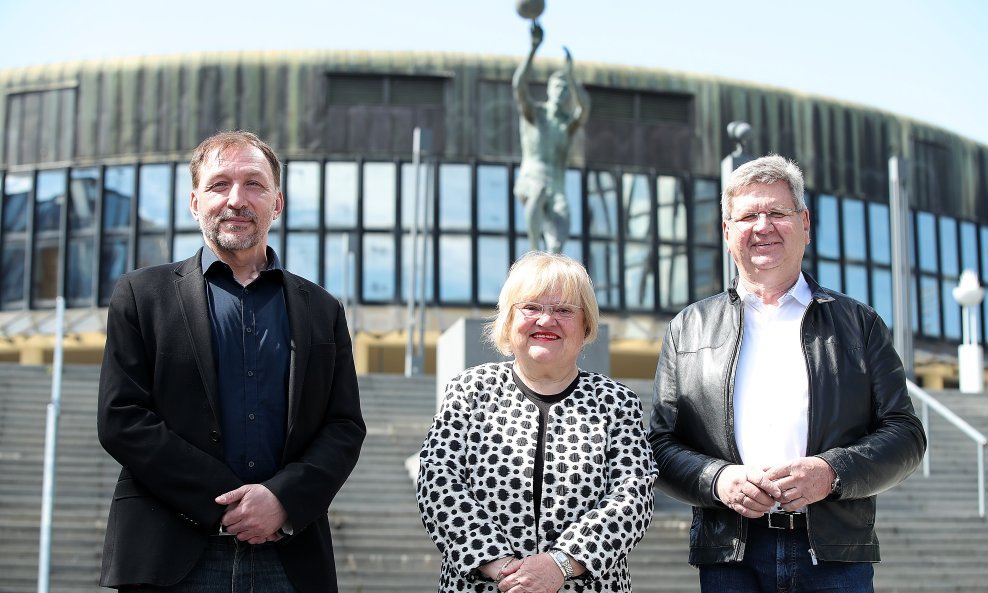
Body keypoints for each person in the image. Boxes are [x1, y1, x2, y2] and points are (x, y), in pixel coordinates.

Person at [97, 130, 365, 593]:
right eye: (220, 184)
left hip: (290, 559)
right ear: (194, 200)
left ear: (276, 203)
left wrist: (281, 500)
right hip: (168, 554)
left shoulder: (323, 309)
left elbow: (344, 426)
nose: (236, 199)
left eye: (254, 184)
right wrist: (225, 502)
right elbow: (121, 417)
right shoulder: (141, 295)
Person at [648, 154, 927, 593]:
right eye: (748, 216)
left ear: (805, 224)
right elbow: (660, 445)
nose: (763, 226)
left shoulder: (861, 323)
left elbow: (907, 434)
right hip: (729, 556)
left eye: (777, 212)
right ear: (727, 233)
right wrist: (718, 480)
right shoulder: (688, 328)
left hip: (834, 555)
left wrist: (831, 472)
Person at [417, 251, 656, 593]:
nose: (546, 321)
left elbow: (632, 496)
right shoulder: (470, 390)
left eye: (564, 310)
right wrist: (502, 568)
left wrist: (559, 565)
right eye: (531, 308)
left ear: (586, 324)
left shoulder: (616, 402)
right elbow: (438, 480)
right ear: (508, 320)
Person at [513, 23, 590, 254]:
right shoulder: (535, 114)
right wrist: (533, 49)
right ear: (549, 89)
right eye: (557, 86)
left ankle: (550, 261)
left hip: (557, 186)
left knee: (558, 240)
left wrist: (572, 77)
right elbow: (518, 85)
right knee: (538, 193)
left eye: (565, 89)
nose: (561, 91)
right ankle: (535, 251)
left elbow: (585, 108)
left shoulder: (567, 124)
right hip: (532, 177)